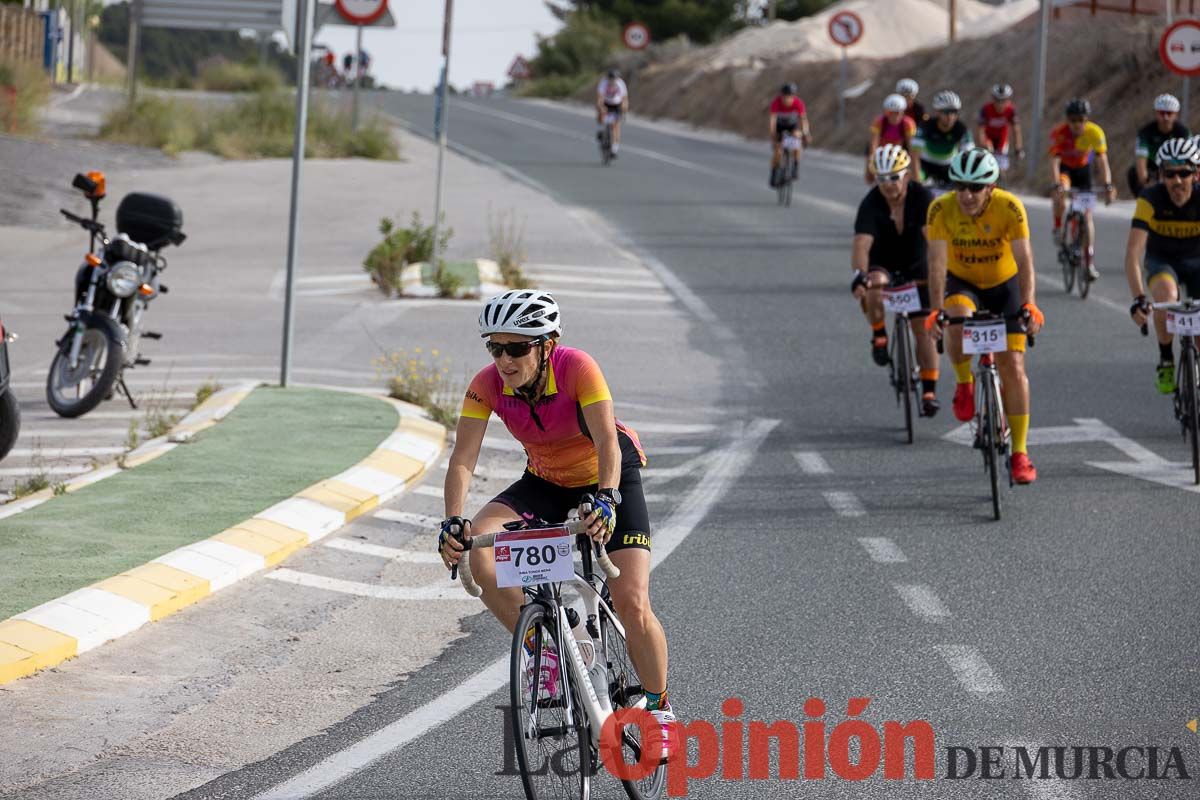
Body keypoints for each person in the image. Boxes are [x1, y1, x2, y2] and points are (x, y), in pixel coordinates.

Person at [437, 290, 676, 754]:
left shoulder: (578, 367)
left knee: (631, 600)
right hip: (544, 480)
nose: (504, 360)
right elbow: (462, 459)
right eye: (495, 347)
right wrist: (453, 523)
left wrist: (607, 499)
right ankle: (547, 652)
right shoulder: (487, 383)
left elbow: (607, 441)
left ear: (547, 345)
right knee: (480, 554)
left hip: (607, 476)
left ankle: (660, 705)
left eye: (517, 348)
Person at [924, 149, 1045, 484]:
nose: (966, 194)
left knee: (1014, 367)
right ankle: (965, 382)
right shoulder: (940, 209)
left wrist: (1030, 304)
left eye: (976, 187)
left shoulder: (1009, 207)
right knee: (956, 319)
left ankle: (1020, 453)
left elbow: (1025, 260)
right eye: (960, 186)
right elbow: (936, 264)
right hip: (963, 282)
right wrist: (936, 310)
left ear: (991, 187)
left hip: (1004, 285)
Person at [852, 144, 941, 416]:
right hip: (884, 262)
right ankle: (879, 334)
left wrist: (941, 274)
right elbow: (861, 246)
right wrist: (859, 276)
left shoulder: (922, 197)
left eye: (894, 177)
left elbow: (934, 242)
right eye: (881, 179)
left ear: (906, 175)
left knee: (922, 330)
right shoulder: (870, 203)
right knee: (873, 284)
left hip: (917, 264)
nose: (888, 185)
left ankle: (929, 389)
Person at [1126, 138, 1200, 395]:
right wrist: (1138, 298)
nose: (1177, 181)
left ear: (1196, 173)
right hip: (1163, 261)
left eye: (1184, 173)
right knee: (1166, 298)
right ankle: (1166, 359)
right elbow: (1133, 253)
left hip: (1197, 261)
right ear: (1160, 175)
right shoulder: (1150, 199)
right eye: (1170, 173)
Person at [1048, 97, 1116, 281]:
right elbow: (1055, 161)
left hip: (1083, 171)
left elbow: (1102, 161)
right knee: (1061, 190)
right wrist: (1056, 185)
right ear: (1067, 120)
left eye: (1081, 120)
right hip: (1066, 170)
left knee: (1087, 217)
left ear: (1087, 119)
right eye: (1073, 120)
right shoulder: (1060, 133)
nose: (1077, 124)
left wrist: (1108, 184)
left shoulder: (1095, 132)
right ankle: (1057, 226)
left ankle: (1089, 263)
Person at [1129, 94, 1190, 197]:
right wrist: (1145, 182)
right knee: (1133, 172)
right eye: (1162, 113)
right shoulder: (1145, 132)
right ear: (1156, 113)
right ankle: (1143, 200)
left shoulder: (1183, 132)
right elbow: (1141, 160)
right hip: (1153, 165)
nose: (1165, 117)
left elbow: (1190, 157)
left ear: (1176, 115)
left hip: (1176, 164)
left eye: (1169, 113)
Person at [912, 90, 972, 192]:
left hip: (947, 166)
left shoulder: (961, 129)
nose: (950, 116)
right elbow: (914, 154)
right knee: (913, 184)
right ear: (938, 112)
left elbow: (968, 156)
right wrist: (917, 179)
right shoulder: (926, 126)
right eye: (946, 112)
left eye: (953, 112)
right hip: (926, 165)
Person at [865, 93, 916, 184]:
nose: (894, 116)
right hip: (880, 151)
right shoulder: (879, 121)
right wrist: (871, 163)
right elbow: (873, 143)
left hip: (897, 152)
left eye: (897, 113)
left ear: (903, 112)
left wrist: (913, 166)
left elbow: (911, 146)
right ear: (886, 112)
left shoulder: (908, 123)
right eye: (891, 113)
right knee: (870, 177)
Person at [769, 82, 811, 188]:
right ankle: (774, 173)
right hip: (779, 127)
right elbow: (772, 121)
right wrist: (773, 136)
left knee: (797, 143)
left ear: (794, 96)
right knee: (778, 151)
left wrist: (805, 133)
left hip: (792, 126)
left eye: (790, 97)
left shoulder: (798, 103)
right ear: (781, 96)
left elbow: (803, 119)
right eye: (785, 97)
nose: (787, 99)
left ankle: (795, 168)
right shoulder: (776, 103)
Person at [975, 83, 1024, 174]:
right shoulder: (986, 109)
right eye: (998, 100)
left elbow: (1016, 130)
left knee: (1001, 168)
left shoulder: (1011, 110)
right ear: (993, 99)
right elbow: (980, 130)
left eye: (1004, 101)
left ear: (1009, 100)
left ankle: (1001, 180)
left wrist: (1018, 148)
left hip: (1002, 138)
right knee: (985, 165)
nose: (1001, 104)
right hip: (988, 138)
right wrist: (983, 145)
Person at [596, 68, 629, 157]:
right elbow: (600, 98)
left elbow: (624, 99)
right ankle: (602, 133)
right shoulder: (603, 83)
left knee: (616, 126)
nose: (612, 81)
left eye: (614, 79)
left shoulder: (621, 84)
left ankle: (614, 149)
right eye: (610, 79)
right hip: (606, 103)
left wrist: (624, 111)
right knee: (601, 118)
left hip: (616, 104)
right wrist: (601, 108)